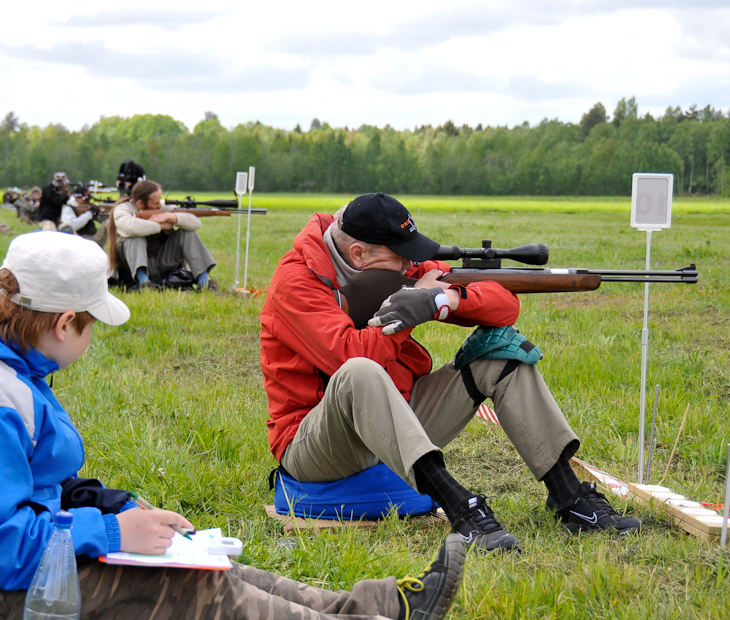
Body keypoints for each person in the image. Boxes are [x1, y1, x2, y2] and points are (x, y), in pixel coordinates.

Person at [0, 231, 500, 620]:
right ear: (63, 322)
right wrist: (113, 535)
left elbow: (39, 487)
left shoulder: (6, 367)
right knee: (192, 595)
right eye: (91, 324)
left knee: (209, 564)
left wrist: (121, 511)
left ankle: (381, 605)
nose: (91, 337)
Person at [259, 193, 642, 554]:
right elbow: (353, 354)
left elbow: (503, 306)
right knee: (359, 371)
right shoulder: (295, 283)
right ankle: (461, 508)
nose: (410, 267)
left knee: (497, 351)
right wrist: (408, 310)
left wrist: (443, 299)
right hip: (313, 447)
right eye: (401, 259)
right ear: (358, 253)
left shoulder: (387, 261)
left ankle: (569, 497)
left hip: (393, 421)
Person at [109, 179, 217, 290]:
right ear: (141, 204)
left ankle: (204, 282)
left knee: (188, 233)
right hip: (130, 268)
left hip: (161, 263)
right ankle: (144, 284)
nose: (160, 205)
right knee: (134, 237)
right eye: (156, 203)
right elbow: (130, 227)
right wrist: (160, 226)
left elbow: (195, 222)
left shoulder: (161, 207)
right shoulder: (123, 209)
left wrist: (172, 217)